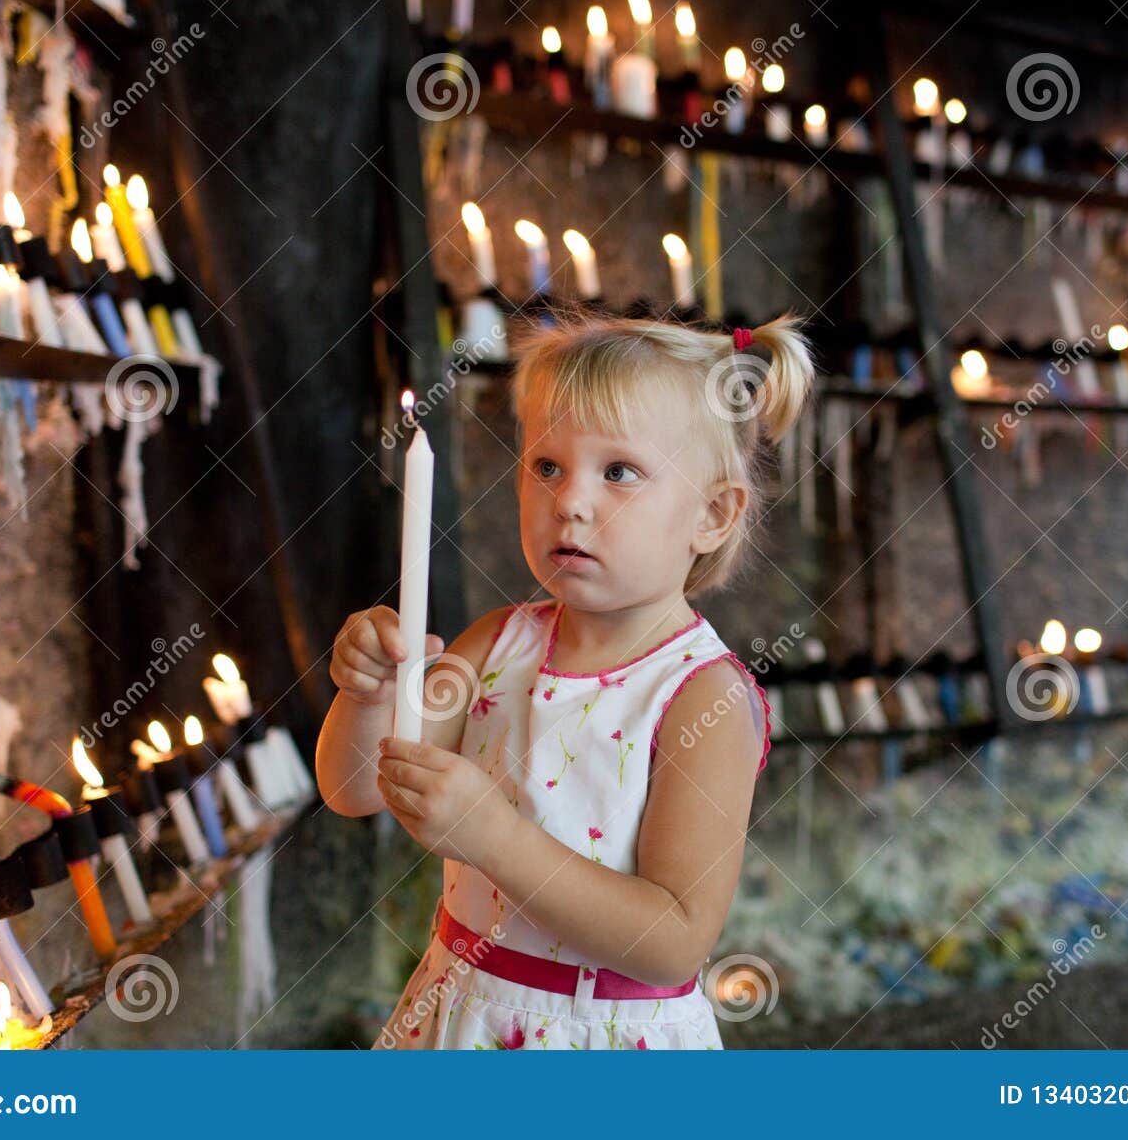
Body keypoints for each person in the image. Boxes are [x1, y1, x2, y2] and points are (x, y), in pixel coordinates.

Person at [317, 312, 815, 1049]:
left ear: (712, 514)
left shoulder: (703, 698)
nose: (569, 501)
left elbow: (675, 937)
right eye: (547, 465)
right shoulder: (495, 645)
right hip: (462, 1015)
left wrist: (494, 837)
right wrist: (368, 696)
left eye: (619, 472)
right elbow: (355, 787)